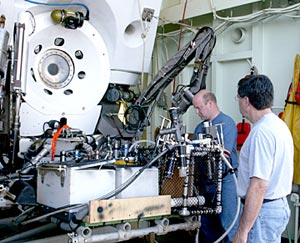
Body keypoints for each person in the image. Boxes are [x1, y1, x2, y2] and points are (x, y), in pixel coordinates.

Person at [232, 74, 294, 243]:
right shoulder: (278, 125)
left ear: (246, 101)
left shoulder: (262, 132)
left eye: (238, 97)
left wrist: (242, 232)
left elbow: (259, 185)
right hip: (274, 207)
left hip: (263, 212)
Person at [192, 89, 240, 243]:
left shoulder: (227, 124)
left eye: (199, 107)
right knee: (207, 225)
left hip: (226, 181)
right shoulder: (200, 128)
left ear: (210, 103)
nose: (197, 112)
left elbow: (222, 156)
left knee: (229, 224)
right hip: (206, 184)